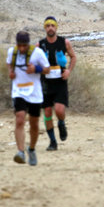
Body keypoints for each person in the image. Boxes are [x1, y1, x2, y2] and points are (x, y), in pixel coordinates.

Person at [6, 31, 50, 166]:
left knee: (34, 124)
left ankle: (31, 149)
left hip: (34, 93)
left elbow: (47, 69)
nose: (22, 49)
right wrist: (10, 73)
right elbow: (9, 64)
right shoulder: (12, 52)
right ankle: (20, 152)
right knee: (19, 119)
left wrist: (36, 68)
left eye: (24, 46)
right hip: (18, 91)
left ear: (28, 44)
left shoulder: (37, 53)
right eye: (20, 45)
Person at [37, 16, 76, 151]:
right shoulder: (40, 45)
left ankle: (61, 123)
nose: (50, 28)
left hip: (60, 81)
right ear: (44, 28)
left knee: (59, 110)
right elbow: (33, 63)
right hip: (45, 83)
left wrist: (69, 71)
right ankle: (53, 142)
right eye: (47, 25)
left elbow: (73, 57)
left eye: (52, 25)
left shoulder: (64, 42)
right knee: (47, 112)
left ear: (56, 27)